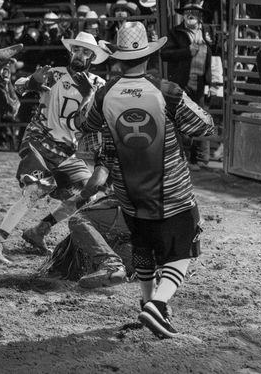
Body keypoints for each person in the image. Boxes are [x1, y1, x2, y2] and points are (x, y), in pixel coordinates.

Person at [77, 21, 215, 338]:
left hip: (129, 192)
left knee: (143, 246)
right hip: (171, 191)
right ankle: (159, 306)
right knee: (182, 251)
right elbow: (203, 126)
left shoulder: (105, 93)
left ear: (117, 58)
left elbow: (85, 123)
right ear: (149, 56)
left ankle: (147, 304)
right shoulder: (167, 91)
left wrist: (94, 94)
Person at [0, 31, 113, 266]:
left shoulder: (98, 85)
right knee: (34, 190)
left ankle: (40, 229)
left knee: (88, 192)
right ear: (71, 52)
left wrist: (92, 99)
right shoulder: (54, 75)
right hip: (39, 141)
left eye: (86, 52)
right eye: (77, 50)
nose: (80, 55)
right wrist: (33, 82)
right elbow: (16, 90)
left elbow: (105, 115)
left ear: (92, 57)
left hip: (67, 152)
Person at [42, 167, 133, 289]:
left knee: (78, 220)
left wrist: (78, 198)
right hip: (159, 217)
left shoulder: (110, 150)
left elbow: (94, 184)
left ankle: (111, 265)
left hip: (137, 207)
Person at [160, 0, 213, 170]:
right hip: (181, 83)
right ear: (183, 15)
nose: (191, 15)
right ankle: (185, 159)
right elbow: (165, 54)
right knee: (182, 119)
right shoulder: (176, 33)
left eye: (195, 12)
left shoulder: (206, 32)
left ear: (200, 17)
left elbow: (214, 55)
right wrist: (186, 52)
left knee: (202, 118)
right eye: (188, 12)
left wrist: (211, 83)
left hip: (200, 83)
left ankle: (202, 159)